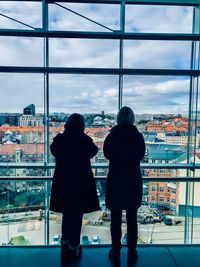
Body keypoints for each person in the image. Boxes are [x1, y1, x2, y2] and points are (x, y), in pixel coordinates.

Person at [49, 113, 100, 264]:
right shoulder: (82, 140)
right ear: (81, 125)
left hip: (63, 184)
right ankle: (73, 248)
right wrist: (84, 136)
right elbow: (94, 151)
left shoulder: (61, 139)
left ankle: (65, 247)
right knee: (76, 217)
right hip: (79, 184)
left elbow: (53, 150)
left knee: (66, 215)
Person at [103, 106, 145, 266]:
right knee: (132, 217)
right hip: (133, 180)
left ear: (118, 119)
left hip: (116, 179)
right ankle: (132, 249)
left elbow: (106, 154)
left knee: (115, 218)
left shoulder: (112, 136)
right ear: (132, 118)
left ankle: (115, 249)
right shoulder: (138, 137)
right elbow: (140, 155)